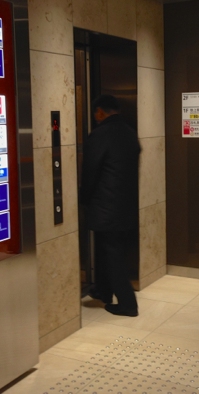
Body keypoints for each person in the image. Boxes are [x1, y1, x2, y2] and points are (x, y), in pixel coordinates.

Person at [80, 95, 140, 317]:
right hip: (126, 204)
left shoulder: (100, 135)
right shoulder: (129, 132)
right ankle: (103, 291)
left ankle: (128, 304)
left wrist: (84, 198)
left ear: (99, 112)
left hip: (106, 205)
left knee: (112, 253)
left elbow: (90, 171)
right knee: (108, 250)